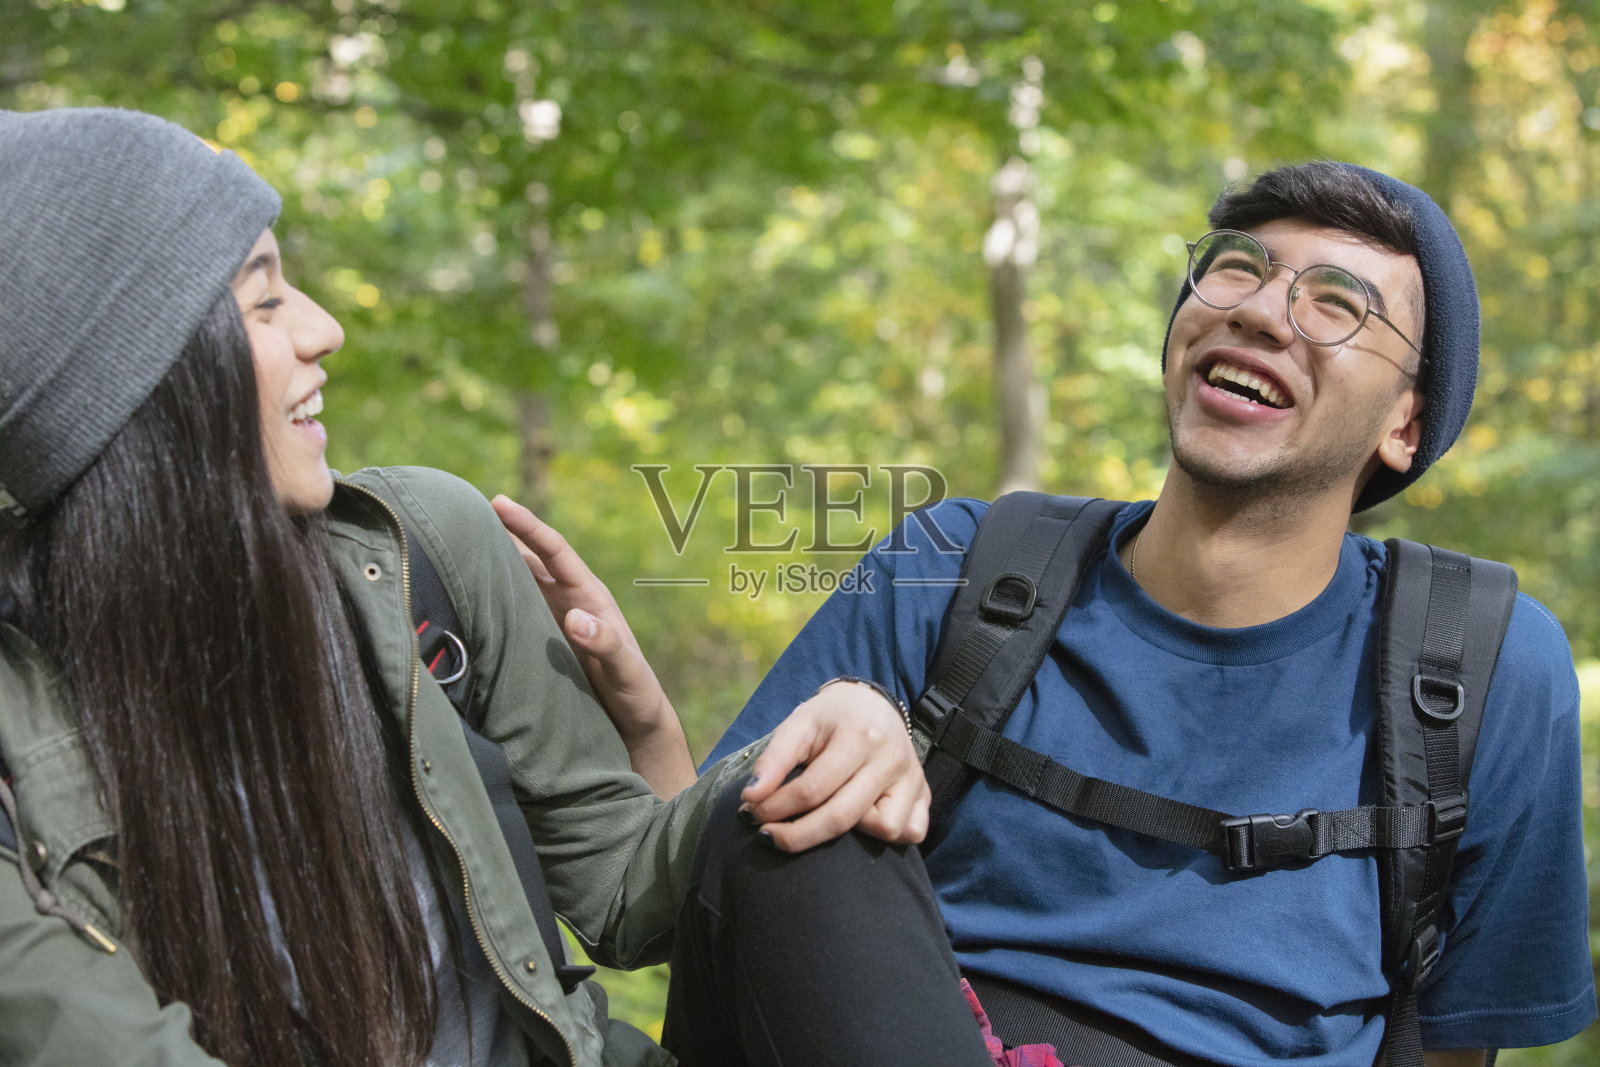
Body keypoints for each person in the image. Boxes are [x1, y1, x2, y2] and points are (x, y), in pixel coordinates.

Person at [550, 163, 1597, 1065]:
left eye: (1339, 303)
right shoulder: (953, 566)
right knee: (806, 762)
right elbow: (731, 914)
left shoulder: (1479, 661)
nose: (1263, 310)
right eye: (1237, 266)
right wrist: (669, 728)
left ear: (1406, 425)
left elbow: (1458, 1041)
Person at [0, 106, 976, 1067]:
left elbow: (626, 892)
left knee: (837, 815)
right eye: (263, 301)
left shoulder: (426, 547)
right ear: (138, 388)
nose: (324, 328)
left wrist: (834, 733)